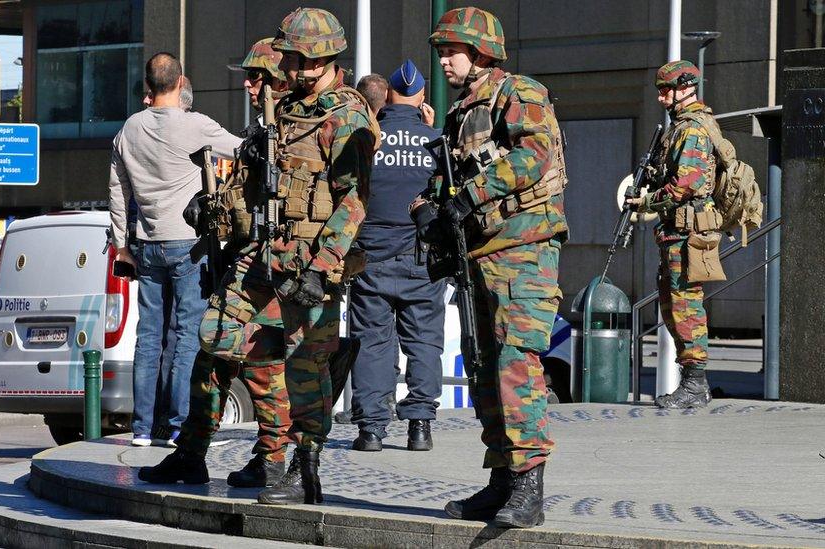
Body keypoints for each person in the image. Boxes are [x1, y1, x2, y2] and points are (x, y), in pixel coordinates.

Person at [139, 8, 378, 507]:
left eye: (288, 59)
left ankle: (299, 467)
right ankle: (192, 451)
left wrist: (322, 265)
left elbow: (353, 202)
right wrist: (215, 208)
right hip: (261, 252)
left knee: (305, 367)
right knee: (215, 339)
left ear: (314, 59)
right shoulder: (285, 114)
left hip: (310, 262)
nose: (280, 70)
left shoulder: (345, 116)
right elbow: (254, 185)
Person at [413, 7, 568, 528]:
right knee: (483, 367)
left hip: (523, 250)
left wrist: (471, 195)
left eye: (450, 52)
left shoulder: (520, 93)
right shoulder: (461, 111)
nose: (444, 63)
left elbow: (534, 156)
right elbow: (446, 178)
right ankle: (502, 479)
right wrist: (429, 208)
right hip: (478, 253)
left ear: (481, 52)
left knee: (515, 364)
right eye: (441, 53)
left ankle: (529, 486)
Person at [172, 37, 296, 488]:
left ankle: (273, 457)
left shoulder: (295, 131)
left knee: (262, 365)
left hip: (282, 265)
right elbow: (243, 201)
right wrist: (211, 208)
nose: (248, 85)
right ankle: (194, 453)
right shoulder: (260, 133)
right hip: (247, 258)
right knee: (216, 355)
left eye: (258, 77)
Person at [109, 52, 242, 448]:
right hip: (187, 243)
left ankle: (142, 429)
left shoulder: (128, 130)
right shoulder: (195, 125)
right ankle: (180, 424)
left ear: (148, 86)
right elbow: (244, 149)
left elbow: (118, 193)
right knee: (186, 335)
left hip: (146, 244)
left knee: (149, 336)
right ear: (181, 82)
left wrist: (121, 245)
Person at [348, 59, 445, 453]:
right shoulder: (436, 140)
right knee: (424, 341)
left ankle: (372, 430)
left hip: (372, 257)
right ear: (421, 96)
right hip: (423, 257)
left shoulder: (368, 138)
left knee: (372, 342)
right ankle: (419, 426)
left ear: (388, 95)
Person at [628, 60, 716, 410]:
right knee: (672, 303)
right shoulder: (676, 127)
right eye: (659, 91)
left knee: (685, 303)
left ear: (686, 87)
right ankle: (693, 382)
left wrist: (648, 199)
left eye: (667, 90)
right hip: (674, 232)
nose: (662, 98)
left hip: (688, 232)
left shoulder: (692, 129)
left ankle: (696, 384)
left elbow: (687, 183)